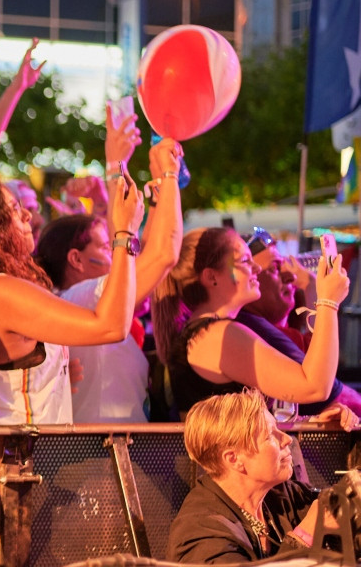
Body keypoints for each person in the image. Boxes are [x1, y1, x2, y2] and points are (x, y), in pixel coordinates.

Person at [0, 169, 144, 425]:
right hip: (16, 461)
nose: (28, 215)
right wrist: (125, 234)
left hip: (16, 456)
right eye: (15, 209)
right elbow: (111, 326)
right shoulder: (0, 291)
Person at [31, 133, 184, 424]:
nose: (117, 253)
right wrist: (169, 173)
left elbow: (149, 248)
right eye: (105, 246)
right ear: (76, 259)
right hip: (97, 463)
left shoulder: (81, 298)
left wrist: (125, 172)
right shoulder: (82, 297)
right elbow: (163, 253)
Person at [152, 227, 351, 422]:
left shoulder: (210, 332)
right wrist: (328, 301)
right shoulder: (217, 336)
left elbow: (239, 425)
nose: (257, 268)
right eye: (246, 261)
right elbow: (315, 387)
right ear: (212, 277)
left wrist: (312, 420)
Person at [166, 389, 337, 563]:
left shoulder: (279, 495)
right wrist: (304, 536)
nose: (287, 439)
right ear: (234, 459)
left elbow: (335, 508)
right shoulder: (201, 533)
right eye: (270, 435)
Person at [236, 228, 361, 423]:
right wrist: (325, 299)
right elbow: (320, 372)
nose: (291, 277)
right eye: (275, 268)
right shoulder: (253, 330)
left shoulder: (261, 328)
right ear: (250, 278)